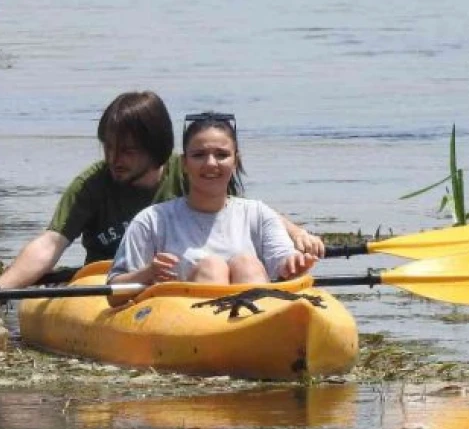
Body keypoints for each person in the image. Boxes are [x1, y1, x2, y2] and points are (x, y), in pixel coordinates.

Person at [0, 91, 323, 290]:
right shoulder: (95, 185)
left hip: (192, 279)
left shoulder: (195, 169)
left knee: (240, 265)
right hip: (118, 280)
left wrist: (295, 234)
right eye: (108, 148)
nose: (114, 159)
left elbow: (240, 211)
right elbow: (51, 243)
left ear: (157, 151)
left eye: (127, 151)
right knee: (211, 268)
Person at [106, 112, 318, 305]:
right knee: (211, 268)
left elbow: (282, 258)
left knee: (247, 264)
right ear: (184, 164)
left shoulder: (258, 214)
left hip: (257, 319)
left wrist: (293, 264)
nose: (210, 163)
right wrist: (149, 273)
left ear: (236, 160)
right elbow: (113, 294)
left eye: (221, 155)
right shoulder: (151, 220)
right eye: (199, 155)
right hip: (186, 324)